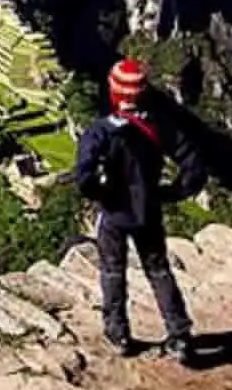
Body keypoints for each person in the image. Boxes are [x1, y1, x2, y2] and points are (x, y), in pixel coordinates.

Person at [74, 57, 206, 363]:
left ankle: (118, 333)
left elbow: (83, 177)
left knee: (112, 271)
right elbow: (194, 166)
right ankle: (179, 334)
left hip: (115, 214)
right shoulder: (160, 126)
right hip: (148, 210)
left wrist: (103, 194)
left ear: (114, 93)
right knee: (159, 271)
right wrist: (171, 193)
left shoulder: (101, 132)